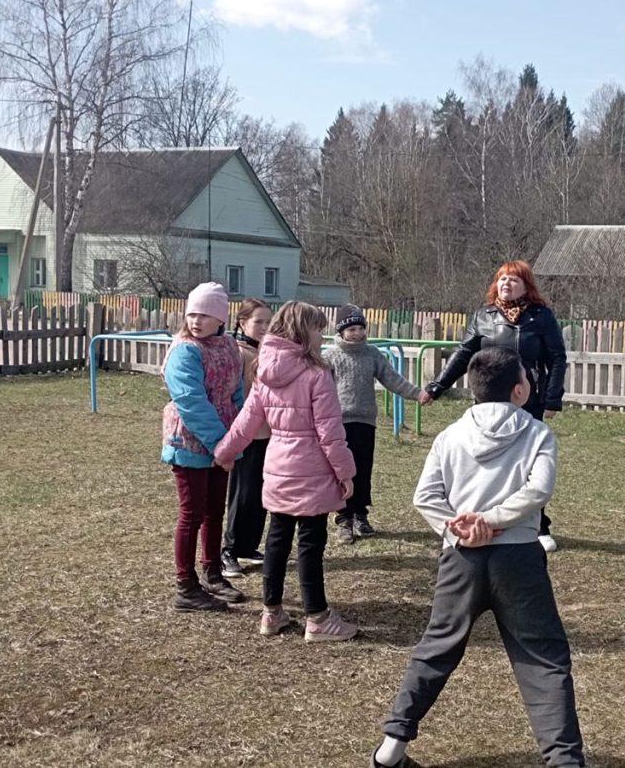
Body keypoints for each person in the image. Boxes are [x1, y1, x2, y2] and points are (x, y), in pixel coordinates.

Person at [373, 347, 584, 768]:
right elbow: (537, 491)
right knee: (543, 657)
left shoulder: (449, 436)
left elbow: (425, 497)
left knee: (437, 648)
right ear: (521, 390)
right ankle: (564, 761)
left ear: (473, 389)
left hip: (460, 561)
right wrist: (491, 521)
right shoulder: (538, 434)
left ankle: (389, 750)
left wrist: (461, 527)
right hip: (519, 559)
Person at [215, 302, 359, 643]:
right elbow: (330, 432)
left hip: (278, 467)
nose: (322, 337)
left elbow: (246, 422)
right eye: (318, 330)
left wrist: (224, 452)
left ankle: (272, 611)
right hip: (311, 471)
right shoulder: (316, 374)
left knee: (277, 538)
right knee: (311, 542)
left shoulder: (264, 371)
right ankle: (318, 617)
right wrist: (346, 472)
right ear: (302, 332)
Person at [424, 260, 567, 552]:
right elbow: (464, 354)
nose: (506, 284)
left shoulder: (541, 317)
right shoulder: (483, 316)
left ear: (527, 285)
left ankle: (538, 526)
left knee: (527, 463)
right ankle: (481, 515)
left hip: (526, 397)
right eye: (502, 279)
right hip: (488, 399)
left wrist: (552, 398)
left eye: (514, 280)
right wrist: (437, 386)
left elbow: (556, 358)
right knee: (490, 461)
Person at [161, 282, 246, 612]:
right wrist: (220, 444)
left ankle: (212, 571)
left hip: (223, 439)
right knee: (192, 513)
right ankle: (186, 586)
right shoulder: (185, 351)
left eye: (205, 314)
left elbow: (236, 395)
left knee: (214, 510)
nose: (196, 320)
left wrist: (235, 437)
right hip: (192, 441)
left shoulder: (230, 347)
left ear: (221, 319)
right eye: (192, 313)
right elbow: (191, 401)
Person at [323, 304, 432, 545]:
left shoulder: (372, 354)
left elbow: (393, 380)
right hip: (339, 423)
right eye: (351, 329)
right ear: (341, 331)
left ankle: (361, 514)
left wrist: (417, 393)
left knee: (363, 469)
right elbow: (317, 386)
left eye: (360, 328)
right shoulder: (331, 356)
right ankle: (344, 519)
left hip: (365, 421)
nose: (357, 333)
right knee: (343, 471)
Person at [221, 298, 273, 578]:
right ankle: (229, 549)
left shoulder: (266, 351)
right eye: (259, 322)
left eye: (269, 322)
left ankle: (248, 545)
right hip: (246, 434)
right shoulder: (238, 353)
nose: (265, 327)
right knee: (242, 492)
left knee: (260, 492)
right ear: (242, 323)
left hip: (269, 433)